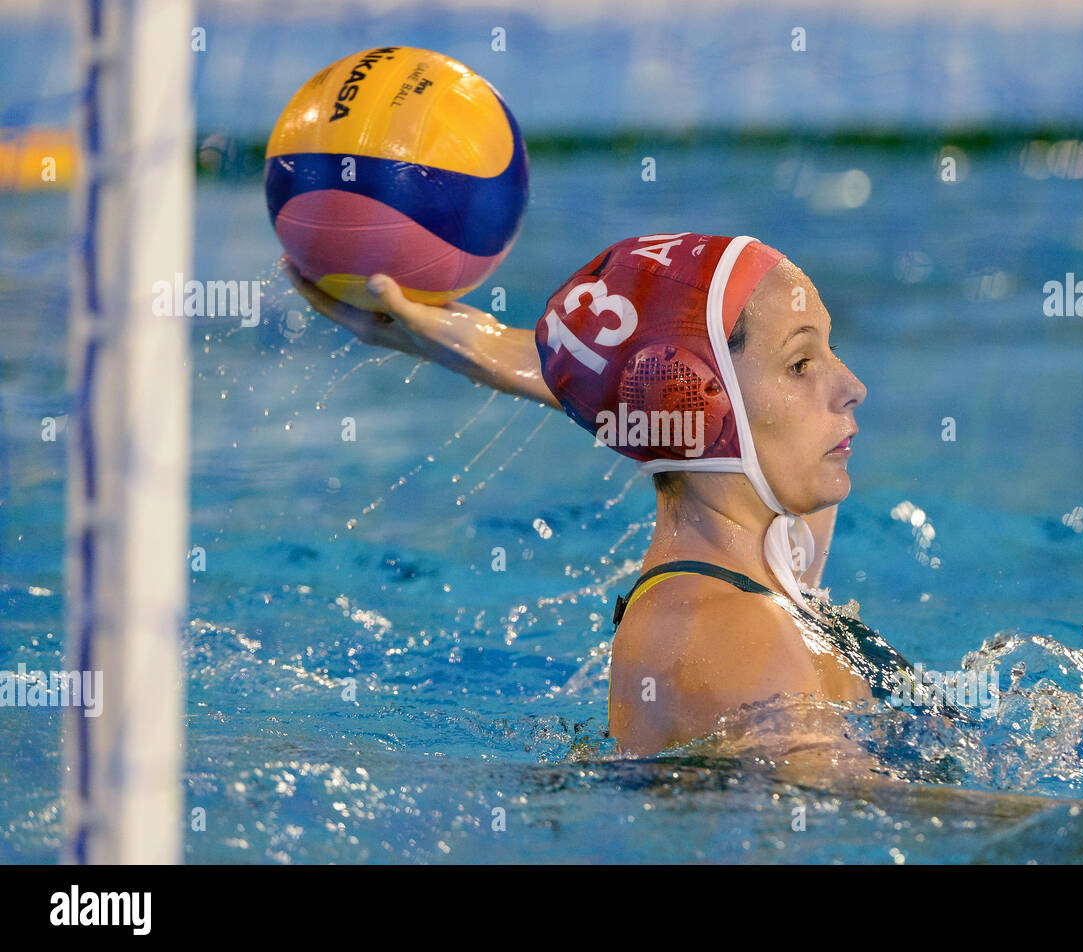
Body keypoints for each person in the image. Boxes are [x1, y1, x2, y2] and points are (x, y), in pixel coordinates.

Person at [286, 232, 938, 762]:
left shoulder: (771, 558)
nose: (852, 385)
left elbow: (653, 394)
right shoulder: (726, 632)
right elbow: (870, 821)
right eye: (801, 363)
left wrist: (481, 345)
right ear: (705, 400)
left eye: (831, 350)